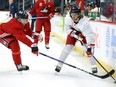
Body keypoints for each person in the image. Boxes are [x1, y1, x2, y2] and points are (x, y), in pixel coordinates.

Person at [55, 5, 98, 73]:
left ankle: (94, 66)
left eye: (75, 14)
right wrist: (75, 33)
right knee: (67, 47)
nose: (73, 16)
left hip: (82, 33)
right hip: (73, 32)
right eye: (72, 14)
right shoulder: (68, 18)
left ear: (79, 14)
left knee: (87, 49)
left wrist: (90, 46)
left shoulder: (85, 22)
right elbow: (66, 29)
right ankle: (59, 64)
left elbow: (89, 35)